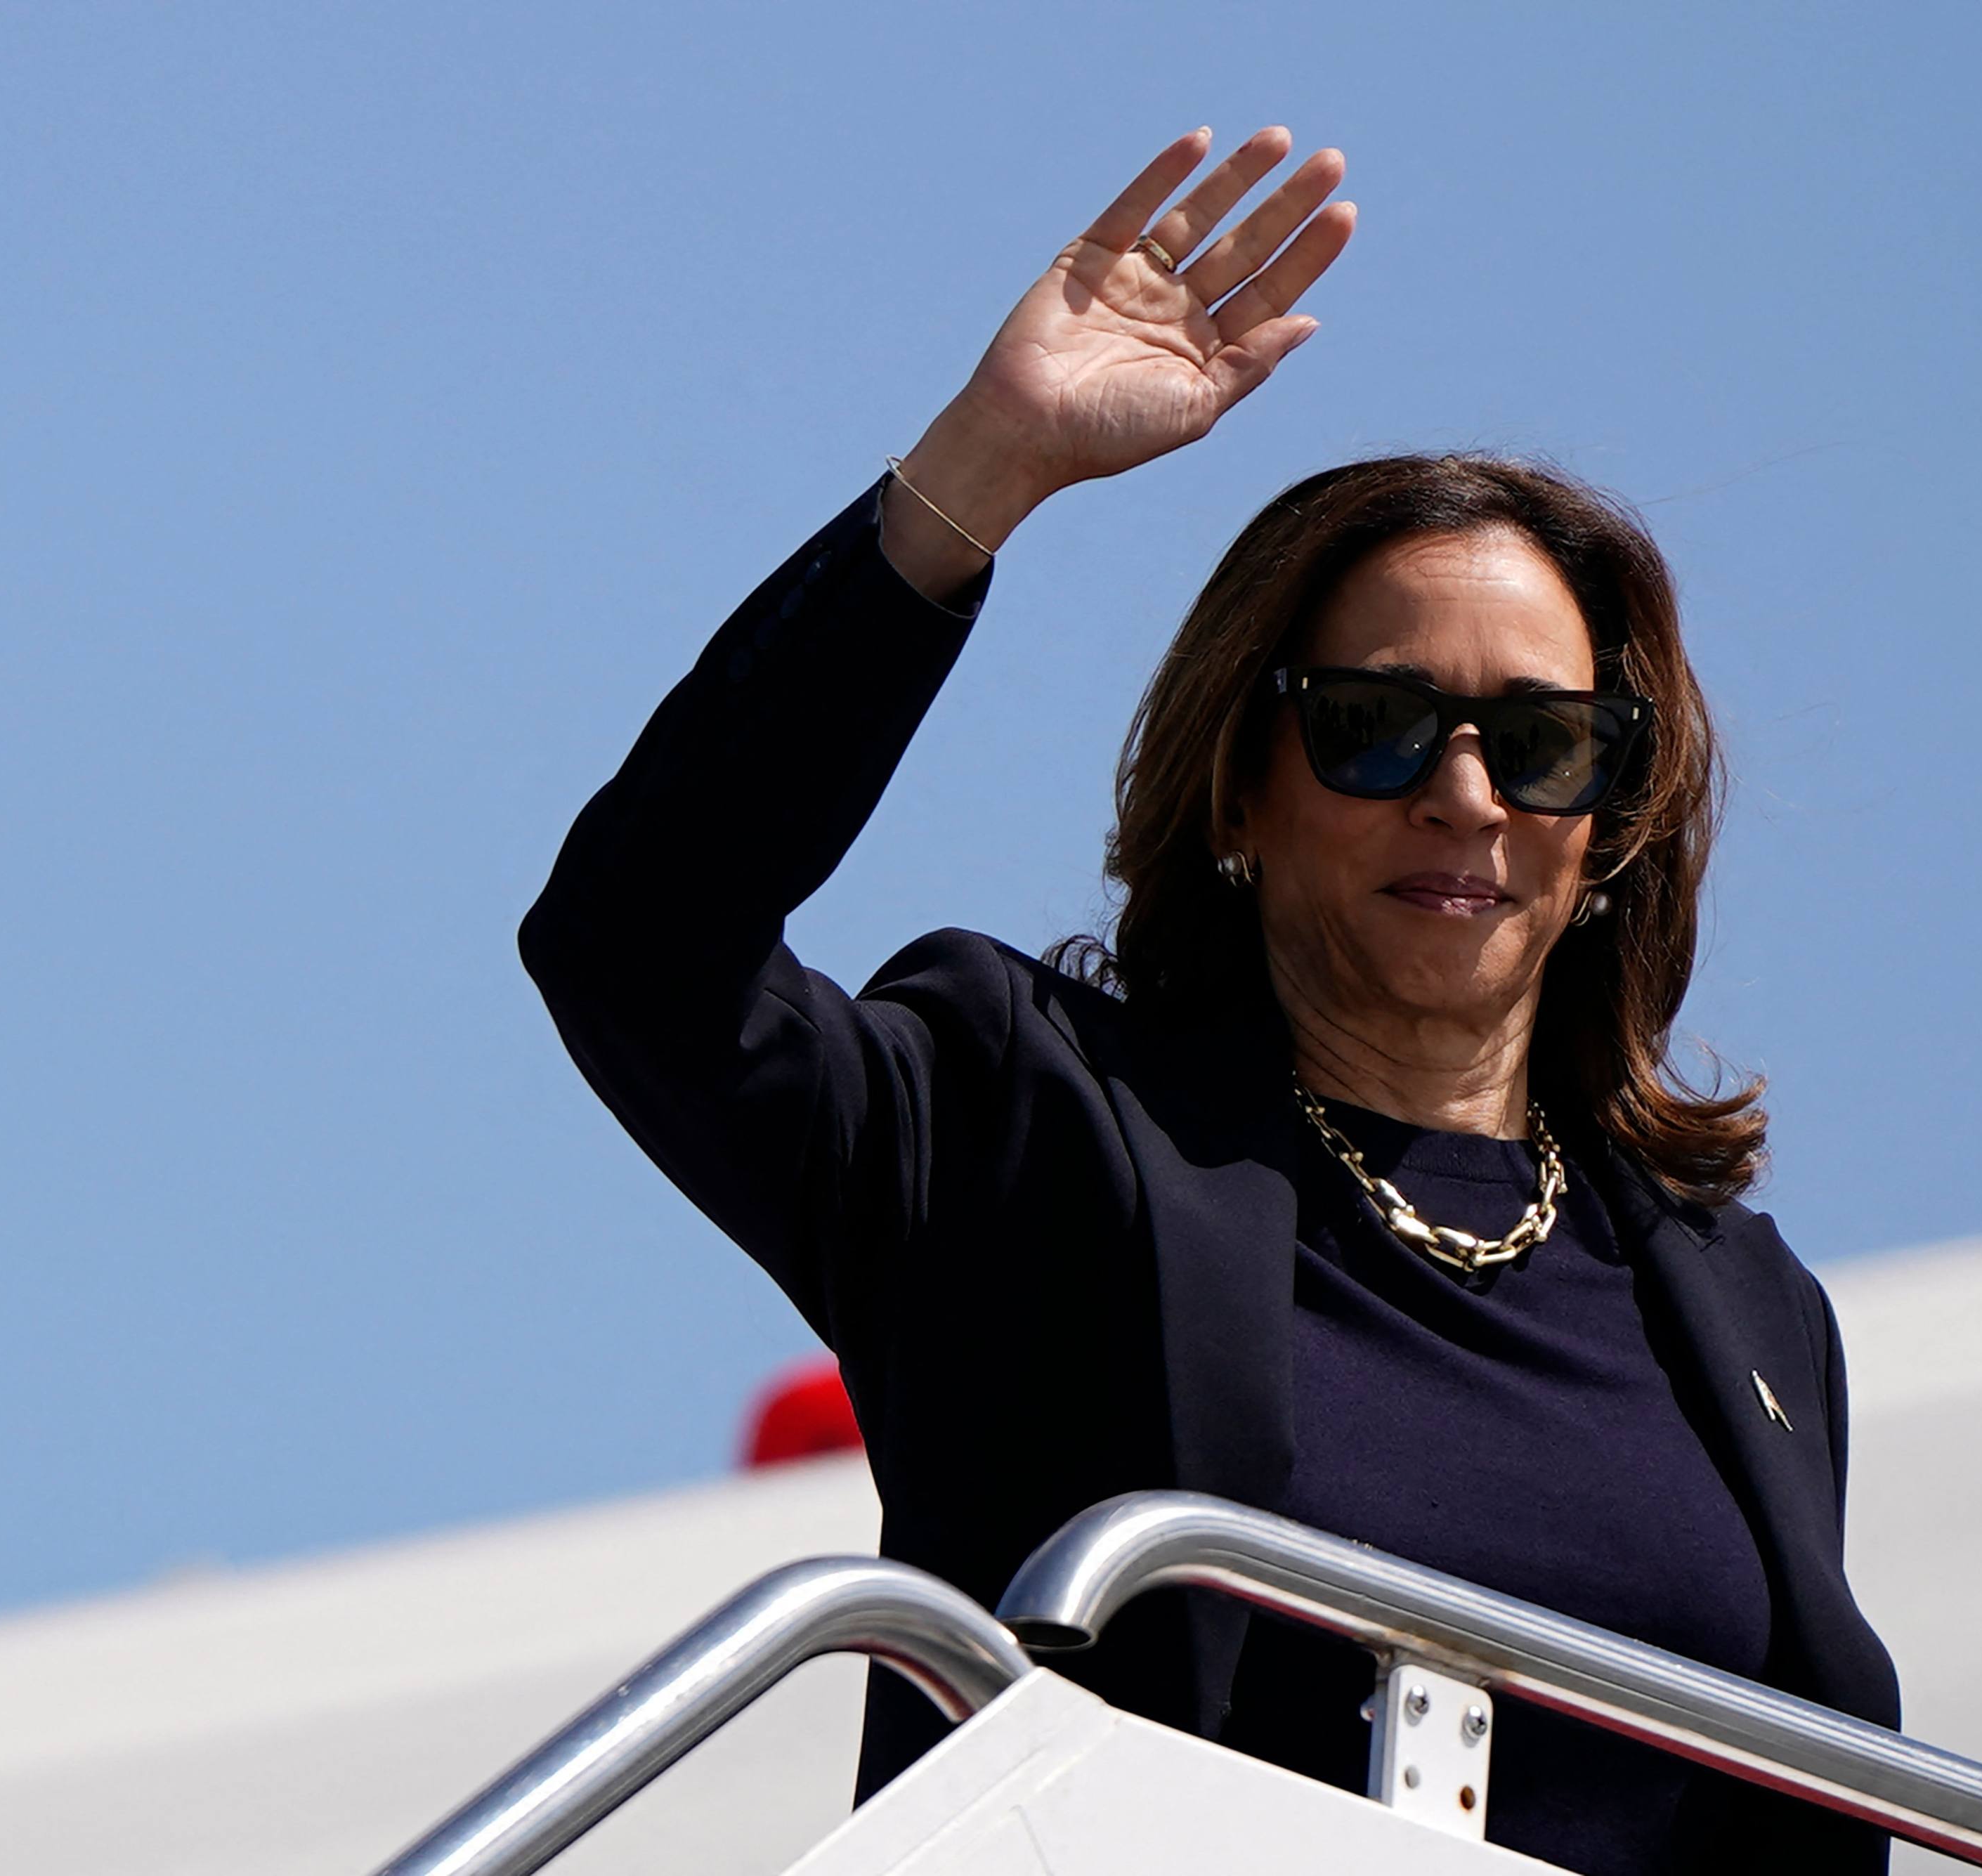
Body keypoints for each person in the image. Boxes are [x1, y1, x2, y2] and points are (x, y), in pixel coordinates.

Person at [516, 127, 1900, 1875]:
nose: (1463, 798)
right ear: (1238, 791)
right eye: (1375, 727)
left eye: (1541, 746)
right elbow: (638, 942)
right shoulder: (1026, 1132)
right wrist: (982, 470)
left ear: (1607, 828)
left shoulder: (1740, 1306)